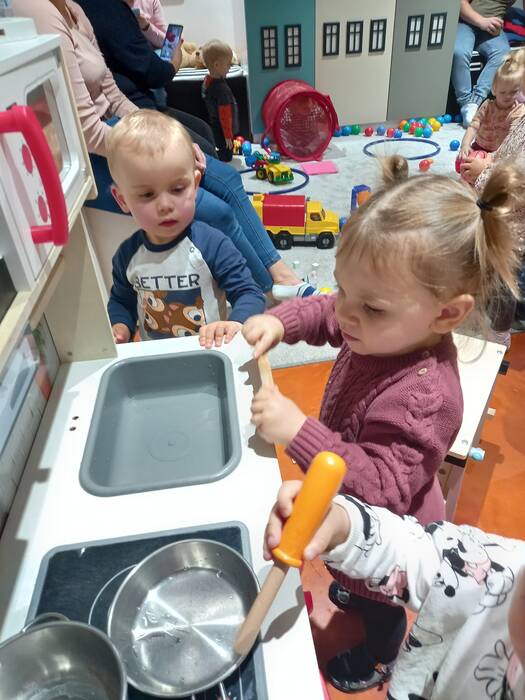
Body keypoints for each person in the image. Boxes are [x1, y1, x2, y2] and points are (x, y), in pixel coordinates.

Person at [242, 155, 523, 691]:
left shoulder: (426, 396)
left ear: (446, 314)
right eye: (344, 288)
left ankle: (380, 655)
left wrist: (297, 430)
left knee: (378, 605)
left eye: (371, 307)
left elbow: (382, 490)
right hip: (346, 509)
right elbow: (329, 311)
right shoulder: (377, 325)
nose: (347, 313)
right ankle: (352, 583)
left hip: (393, 531)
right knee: (349, 573)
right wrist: (281, 322)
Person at [12, 0, 313, 298]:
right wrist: (154, 147)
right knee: (217, 212)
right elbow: (88, 131)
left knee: (228, 178)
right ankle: (265, 295)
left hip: (122, 129)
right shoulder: (40, 11)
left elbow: (113, 93)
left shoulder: (75, 10)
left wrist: (163, 134)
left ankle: (281, 274)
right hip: (96, 153)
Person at [265, 481, 525, 699]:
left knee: (383, 614)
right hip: (384, 547)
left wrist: (301, 438)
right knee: (370, 599)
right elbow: (427, 560)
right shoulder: (508, 572)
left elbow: (385, 477)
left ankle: (378, 660)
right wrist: (343, 526)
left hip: (395, 529)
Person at [106, 110, 265, 345]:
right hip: (156, 357)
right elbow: (121, 301)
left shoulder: (213, 244)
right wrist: (120, 326)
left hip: (209, 351)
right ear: (122, 200)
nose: (165, 205)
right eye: (147, 194)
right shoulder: (127, 255)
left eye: (178, 189)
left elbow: (249, 293)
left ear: (195, 185)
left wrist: (236, 322)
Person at [461, 47, 525, 336]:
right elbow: (507, 153)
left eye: (518, 90)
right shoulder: (520, 119)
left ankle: (500, 333)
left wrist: (483, 174)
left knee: (506, 279)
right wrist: (487, 162)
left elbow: (517, 182)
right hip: (504, 215)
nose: (514, 97)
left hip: (515, 229)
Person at [451, 0, 520, 127]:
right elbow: (461, 3)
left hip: (491, 29)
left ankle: (474, 103)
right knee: (459, 52)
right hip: (467, 22)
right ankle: (465, 103)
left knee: (503, 54)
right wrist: (482, 22)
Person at [460, 53, 525, 158]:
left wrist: (493, 158)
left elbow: (512, 140)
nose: (508, 96)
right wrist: (465, 145)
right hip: (479, 147)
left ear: (519, 90)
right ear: (494, 90)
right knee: (463, 161)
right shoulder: (487, 106)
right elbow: (473, 126)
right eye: (503, 92)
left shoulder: (518, 110)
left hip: (501, 153)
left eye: (513, 92)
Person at [201, 39, 238, 162]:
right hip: (223, 129)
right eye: (228, 64)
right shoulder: (222, 90)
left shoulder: (207, 80)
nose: (230, 67)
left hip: (214, 123)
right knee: (227, 156)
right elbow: (225, 114)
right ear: (217, 65)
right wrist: (228, 136)